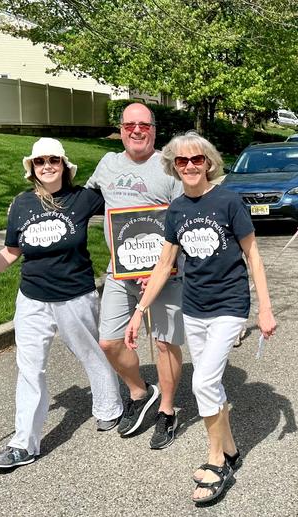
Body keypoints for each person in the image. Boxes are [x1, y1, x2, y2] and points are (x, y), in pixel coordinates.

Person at [124, 132, 277, 504]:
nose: (190, 166)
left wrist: (266, 307)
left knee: (203, 382)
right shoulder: (176, 209)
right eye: (182, 161)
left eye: (197, 160)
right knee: (212, 384)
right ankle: (231, 450)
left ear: (208, 163)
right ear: (174, 167)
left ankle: (215, 462)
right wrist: (140, 310)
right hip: (194, 308)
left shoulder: (228, 202)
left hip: (229, 304)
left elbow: (253, 256)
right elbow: (164, 264)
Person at [0, 138, 123, 469]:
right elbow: (11, 251)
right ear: (32, 168)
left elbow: (125, 205)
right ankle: (24, 443)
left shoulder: (83, 199)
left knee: (92, 354)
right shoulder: (21, 204)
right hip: (32, 299)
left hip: (75, 296)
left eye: (53, 160)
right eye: (40, 162)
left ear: (64, 165)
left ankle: (110, 407)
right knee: (29, 368)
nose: (47, 166)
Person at [85, 102, 184, 448]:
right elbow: (82, 199)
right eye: (129, 125)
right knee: (109, 341)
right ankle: (141, 391)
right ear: (121, 129)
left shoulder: (170, 168)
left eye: (143, 125)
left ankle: (168, 412)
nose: (136, 130)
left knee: (164, 342)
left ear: (154, 130)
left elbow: (183, 220)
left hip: (166, 271)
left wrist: (162, 265)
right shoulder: (108, 164)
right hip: (120, 271)